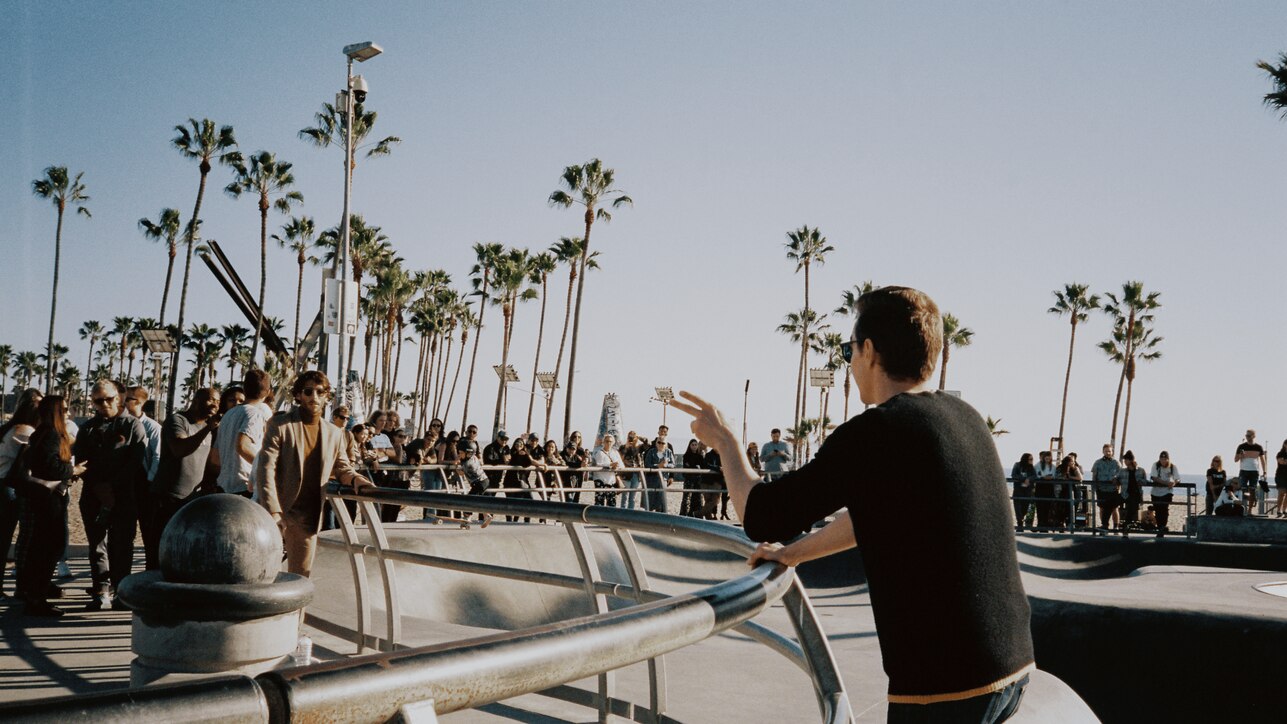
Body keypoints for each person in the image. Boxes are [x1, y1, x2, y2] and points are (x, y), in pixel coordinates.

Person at [672, 286, 1032, 721]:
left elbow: (762, 514)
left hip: (946, 683)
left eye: (848, 350)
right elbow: (872, 517)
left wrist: (726, 444)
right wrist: (793, 554)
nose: (850, 362)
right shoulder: (965, 417)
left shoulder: (876, 433)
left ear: (868, 350)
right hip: (1012, 662)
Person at [255, 371, 373, 576]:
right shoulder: (280, 425)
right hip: (278, 512)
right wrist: (274, 512)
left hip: (308, 517)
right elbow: (267, 469)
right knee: (262, 576)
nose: (314, 397)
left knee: (300, 578)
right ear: (299, 395)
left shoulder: (335, 433)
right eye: (308, 392)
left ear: (327, 396)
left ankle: (296, 611)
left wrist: (357, 480)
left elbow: (342, 466)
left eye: (320, 392)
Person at [74, 380, 148, 610]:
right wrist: (99, 487)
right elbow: (81, 462)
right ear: (93, 402)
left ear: (118, 398)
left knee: (122, 544)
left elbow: (135, 462)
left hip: (124, 496)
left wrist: (113, 489)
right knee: (97, 545)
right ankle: (100, 590)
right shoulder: (87, 428)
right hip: (93, 495)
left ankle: (121, 591)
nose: (104, 403)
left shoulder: (133, 425)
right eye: (99, 400)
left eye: (108, 398)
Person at [15, 396, 85, 617]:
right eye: (64, 409)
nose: (68, 413)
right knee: (48, 547)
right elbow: (50, 467)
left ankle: (35, 594)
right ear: (54, 411)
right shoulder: (51, 435)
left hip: (43, 496)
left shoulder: (41, 433)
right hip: (48, 498)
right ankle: (37, 597)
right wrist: (73, 471)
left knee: (42, 546)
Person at [147, 388, 220, 568]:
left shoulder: (210, 428)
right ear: (195, 400)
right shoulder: (177, 420)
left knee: (183, 551)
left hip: (192, 500)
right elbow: (180, 449)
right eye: (210, 400)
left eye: (217, 402)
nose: (215, 405)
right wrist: (208, 430)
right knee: (159, 551)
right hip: (167, 497)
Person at [0, 389, 42, 600]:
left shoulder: (7, 428)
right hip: (9, 487)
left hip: (2, 482)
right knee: (7, 537)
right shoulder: (25, 430)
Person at [213, 370, 274, 497]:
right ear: (268, 392)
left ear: (245, 390)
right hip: (244, 487)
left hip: (223, 488)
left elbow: (215, 457)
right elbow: (242, 446)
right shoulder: (255, 415)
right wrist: (267, 467)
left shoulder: (227, 415)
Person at [124, 387, 163, 569]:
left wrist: (149, 481)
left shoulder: (153, 427)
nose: (123, 402)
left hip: (145, 487)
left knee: (149, 533)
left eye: (127, 399)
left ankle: (151, 569)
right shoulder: (122, 424)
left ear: (139, 402)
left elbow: (157, 456)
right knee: (125, 534)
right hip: (126, 485)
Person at [1091, 444, 1122, 532]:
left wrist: (1118, 488)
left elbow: (1121, 476)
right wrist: (1095, 488)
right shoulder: (1097, 462)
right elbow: (1094, 476)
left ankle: (1116, 526)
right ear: (1103, 451)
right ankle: (1104, 525)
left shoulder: (1116, 463)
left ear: (1112, 452)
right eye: (1106, 451)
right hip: (1101, 489)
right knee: (1102, 508)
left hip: (1113, 490)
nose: (1108, 453)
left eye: (1109, 451)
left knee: (1114, 508)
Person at [1234, 430, 1266, 514]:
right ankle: (1243, 508)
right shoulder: (1241, 446)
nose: (1247, 437)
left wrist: (1265, 471)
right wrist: (1240, 455)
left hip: (1254, 471)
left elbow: (1263, 460)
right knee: (1242, 489)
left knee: (1252, 490)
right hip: (1244, 470)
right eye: (1246, 435)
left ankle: (1250, 510)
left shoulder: (1259, 447)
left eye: (1249, 435)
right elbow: (1235, 460)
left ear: (1253, 436)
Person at [1116, 451, 1148, 536]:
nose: (1124, 462)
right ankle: (1105, 525)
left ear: (1130, 460)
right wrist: (1115, 480)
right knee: (1110, 504)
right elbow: (1116, 477)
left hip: (1135, 495)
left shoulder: (1141, 470)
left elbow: (1145, 481)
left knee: (1130, 513)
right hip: (1124, 494)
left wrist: (1140, 481)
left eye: (1126, 460)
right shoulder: (1123, 471)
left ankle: (1125, 530)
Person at [1149, 451, 1180, 537]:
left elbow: (1177, 478)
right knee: (1157, 510)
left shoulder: (1173, 467)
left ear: (1168, 459)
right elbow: (1154, 478)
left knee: (1164, 509)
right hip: (1155, 492)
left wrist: (1173, 483)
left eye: (1165, 459)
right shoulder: (1155, 465)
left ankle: (1162, 527)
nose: (1163, 461)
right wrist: (1166, 483)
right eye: (1161, 459)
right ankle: (1160, 528)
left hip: (1167, 492)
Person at [643, 435, 675, 513]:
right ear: (656, 443)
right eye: (659, 442)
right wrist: (657, 466)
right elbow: (647, 464)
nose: (661, 444)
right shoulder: (651, 452)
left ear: (666, 444)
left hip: (663, 479)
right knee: (651, 500)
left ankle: (662, 518)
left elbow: (673, 464)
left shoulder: (668, 452)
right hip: (651, 479)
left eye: (663, 443)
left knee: (662, 500)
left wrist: (665, 466)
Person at [590, 434, 624, 507]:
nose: (609, 443)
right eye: (607, 441)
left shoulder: (615, 453)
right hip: (600, 480)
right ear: (603, 442)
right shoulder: (599, 453)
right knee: (599, 502)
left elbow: (621, 465)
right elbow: (599, 464)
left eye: (610, 441)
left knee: (612, 502)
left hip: (611, 481)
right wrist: (611, 464)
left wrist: (616, 466)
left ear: (613, 443)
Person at [618, 431, 645, 510]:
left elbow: (648, 443)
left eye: (633, 437)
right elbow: (620, 458)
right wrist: (626, 447)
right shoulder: (623, 447)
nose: (631, 439)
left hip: (636, 474)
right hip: (626, 474)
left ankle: (631, 511)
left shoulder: (639, 447)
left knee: (633, 496)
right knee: (625, 495)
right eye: (630, 437)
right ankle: (623, 512)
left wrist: (639, 438)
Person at [1009, 453, 1036, 532]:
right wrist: (1024, 479)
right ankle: (1020, 524)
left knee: (1025, 508)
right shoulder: (1017, 465)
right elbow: (1014, 475)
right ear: (1025, 459)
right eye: (1030, 459)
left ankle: (1021, 520)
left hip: (1027, 490)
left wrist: (1029, 479)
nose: (1031, 461)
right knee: (1018, 508)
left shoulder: (1031, 467)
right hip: (1018, 490)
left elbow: (1034, 476)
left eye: (1032, 459)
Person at [681, 438, 705, 517]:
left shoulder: (700, 456)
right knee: (687, 498)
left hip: (698, 480)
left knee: (697, 497)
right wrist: (695, 467)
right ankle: (684, 514)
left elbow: (702, 466)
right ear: (690, 446)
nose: (694, 446)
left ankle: (697, 514)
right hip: (689, 479)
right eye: (692, 445)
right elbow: (687, 466)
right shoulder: (686, 456)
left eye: (695, 445)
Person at [1033, 450, 1057, 530]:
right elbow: (1037, 474)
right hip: (1040, 486)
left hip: (1049, 487)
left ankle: (1045, 524)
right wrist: (1043, 477)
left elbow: (1054, 475)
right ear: (1043, 458)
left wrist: (1050, 477)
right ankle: (1040, 524)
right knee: (1040, 506)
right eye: (1046, 457)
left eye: (1049, 457)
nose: (1048, 459)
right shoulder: (1038, 465)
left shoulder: (1053, 467)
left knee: (1048, 506)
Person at [562, 432, 587, 504]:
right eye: (575, 436)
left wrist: (586, 461)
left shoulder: (581, 450)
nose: (577, 438)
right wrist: (580, 464)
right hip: (568, 478)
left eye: (579, 437)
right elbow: (566, 462)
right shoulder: (566, 450)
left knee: (576, 497)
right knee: (568, 499)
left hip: (578, 476)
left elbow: (586, 459)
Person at [1274, 442, 1287, 517]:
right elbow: (1281, 462)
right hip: (1281, 476)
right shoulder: (1280, 453)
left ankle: (1285, 510)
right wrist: (1284, 461)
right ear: (1285, 445)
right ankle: (1279, 509)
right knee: (1282, 493)